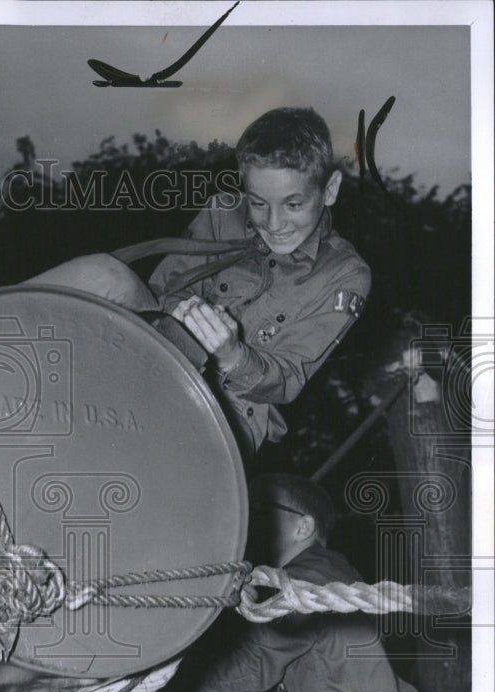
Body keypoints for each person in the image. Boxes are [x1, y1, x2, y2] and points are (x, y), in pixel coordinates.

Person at [31, 107, 371, 456]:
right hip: (165, 350)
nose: (273, 222)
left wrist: (231, 354)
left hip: (232, 408)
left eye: (293, 204)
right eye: (258, 203)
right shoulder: (223, 212)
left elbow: (287, 380)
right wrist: (188, 315)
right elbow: (164, 289)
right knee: (103, 272)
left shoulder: (345, 274)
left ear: (329, 190)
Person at [194, 473, 439, 692]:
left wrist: (171, 680)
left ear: (303, 527)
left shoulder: (311, 577)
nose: (251, 518)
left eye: (262, 509)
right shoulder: (322, 573)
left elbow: (253, 664)